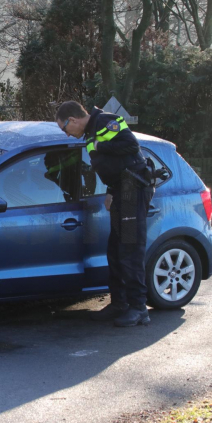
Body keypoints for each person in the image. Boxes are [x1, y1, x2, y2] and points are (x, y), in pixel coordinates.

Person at [54, 101, 155, 327]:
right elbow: (116, 164)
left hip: (132, 190)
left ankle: (139, 308)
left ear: (74, 119)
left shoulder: (105, 122)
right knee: (115, 251)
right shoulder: (92, 131)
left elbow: (130, 145)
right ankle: (119, 303)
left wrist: (100, 146)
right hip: (121, 190)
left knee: (130, 250)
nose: (67, 135)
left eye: (64, 128)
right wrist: (110, 191)